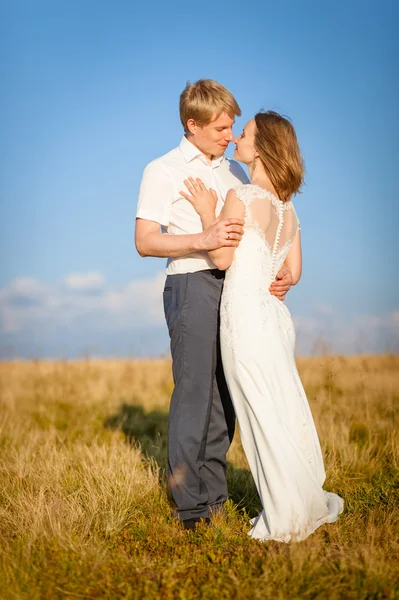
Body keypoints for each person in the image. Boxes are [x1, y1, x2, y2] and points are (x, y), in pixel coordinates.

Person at [135, 80, 294, 531]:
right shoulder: (161, 169)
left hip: (238, 291)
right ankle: (189, 508)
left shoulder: (236, 174)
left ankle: (215, 498)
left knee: (226, 396)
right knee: (194, 394)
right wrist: (201, 239)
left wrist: (276, 273)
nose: (229, 135)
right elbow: (144, 241)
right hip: (191, 285)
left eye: (231, 127)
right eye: (222, 127)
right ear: (193, 124)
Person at [180, 111, 344, 542]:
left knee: (258, 411)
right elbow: (294, 272)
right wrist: (283, 279)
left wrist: (205, 212)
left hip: (245, 317)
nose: (236, 140)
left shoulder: (243, 196)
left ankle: (285, 510)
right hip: (275, 319)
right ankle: (299, 495)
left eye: (246, 135)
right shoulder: (290, 211)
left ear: (264, 147)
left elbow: (222, 259)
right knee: (281, 407)